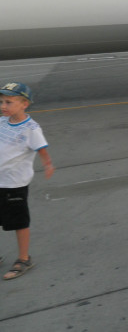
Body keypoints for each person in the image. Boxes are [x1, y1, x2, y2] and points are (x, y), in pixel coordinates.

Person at [0, 82, 54, 280]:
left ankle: (24, 258)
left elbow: (41, 148)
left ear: (24, 104)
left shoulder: (31, 128)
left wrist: (47, 164)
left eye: (9, 102)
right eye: (1, 102)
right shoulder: (2, 121)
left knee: (19, 222)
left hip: (14, 184)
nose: (3, 106)